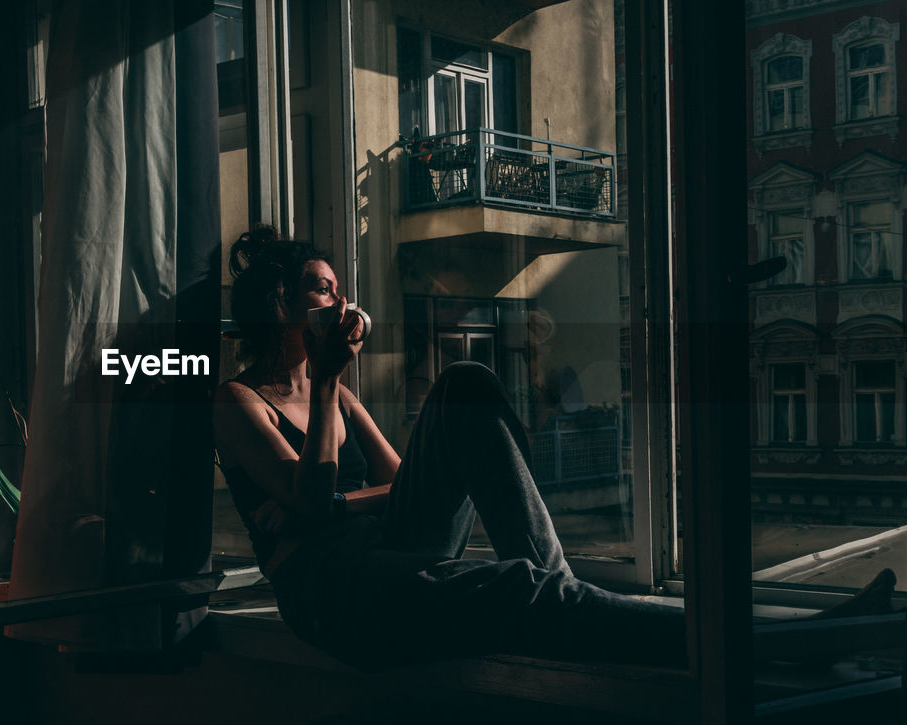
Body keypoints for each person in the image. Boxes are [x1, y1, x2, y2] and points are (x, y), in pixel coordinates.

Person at [212, 225, 897, 672]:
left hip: (384, 545)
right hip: (331, 591)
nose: (342, 301)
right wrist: (328, 403)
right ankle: (784, 647)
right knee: (515, 589)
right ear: (281, 305)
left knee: (467, 384)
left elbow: (398, 488)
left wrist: (333, 501)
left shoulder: (341, 400)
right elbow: (310, 500)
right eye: (323, 289)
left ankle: (559, 587)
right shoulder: (241, 400)